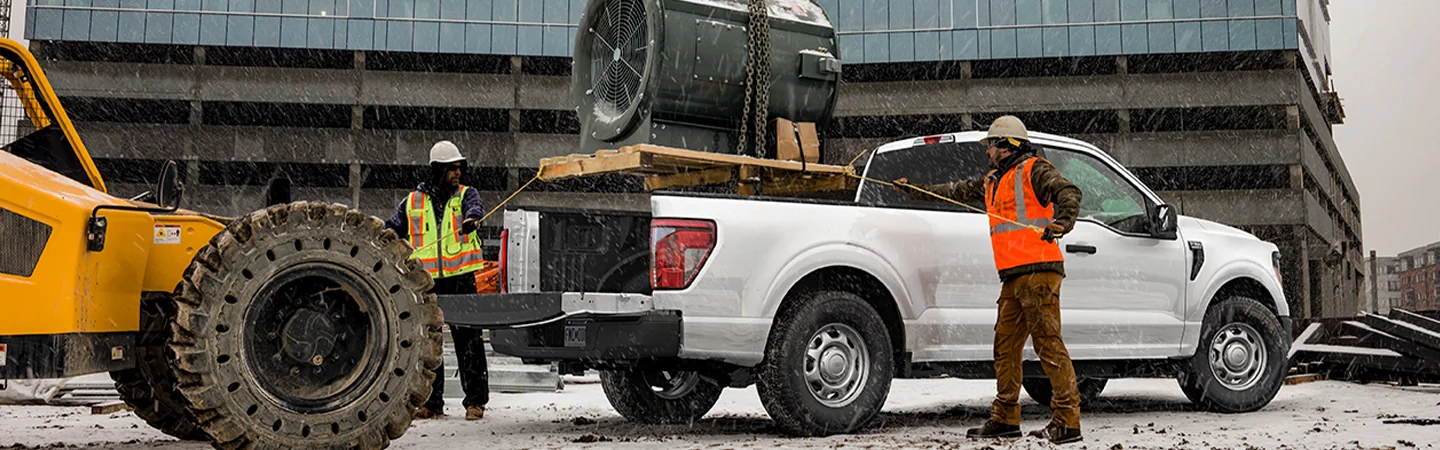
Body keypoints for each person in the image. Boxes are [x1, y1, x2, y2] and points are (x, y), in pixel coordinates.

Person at [893, 116, 1085, 444]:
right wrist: (915, 190)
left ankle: (1067, 421)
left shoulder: (1034, 169)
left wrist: (1062, 222)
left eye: (992, 145)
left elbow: (1068, 191)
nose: (988, 151)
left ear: (1008, 145)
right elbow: (953, 191)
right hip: (1013, 276)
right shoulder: (992, 181)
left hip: (1039, 271)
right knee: (1005, 346)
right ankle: (1006, 417)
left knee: (1047, 344)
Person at [384, 140, 490, 421]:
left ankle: (475, 402)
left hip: (462, 279)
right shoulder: (412, 202)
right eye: (452, 168)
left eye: (459, 168)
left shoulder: (466, 195)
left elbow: (475, 208)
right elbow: (391, 230)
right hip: (427, 283)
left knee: (469, 342)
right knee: (430, 344)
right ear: (437, 170)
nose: (458, 173)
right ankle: (432, 403)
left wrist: (472, 219)